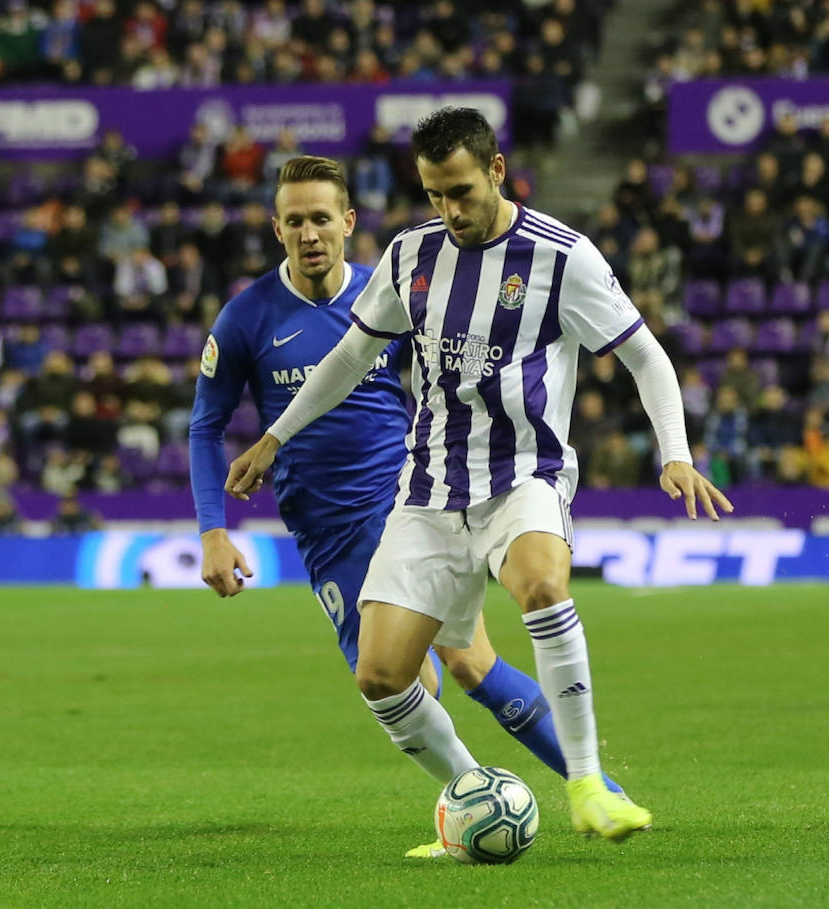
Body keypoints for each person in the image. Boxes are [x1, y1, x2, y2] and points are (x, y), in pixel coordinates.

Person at [226, 109, 730, 846]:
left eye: (460, 191)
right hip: (428, 489)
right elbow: (348, 357)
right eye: (434, 195)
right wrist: (274, 434)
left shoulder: (564, 257)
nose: (449, 210)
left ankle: (589, 783)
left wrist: (675, 451)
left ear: (496, 172)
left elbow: (646, 357)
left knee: (543, 583)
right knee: (380, 674)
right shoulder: (410, 255)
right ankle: (467, 794)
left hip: (525, 472)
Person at [189, 154, 628, 859]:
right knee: (432, 672)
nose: (310, 233)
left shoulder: (396, 288)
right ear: (277, 229)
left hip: (408, 502)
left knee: (450, 664)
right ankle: (493, 797)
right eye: (295, 221)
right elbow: (205, 424)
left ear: (347, 222)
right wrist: (214, 529)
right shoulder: (246, 320)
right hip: (325, 528)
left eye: (321, 218)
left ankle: (554, 792)